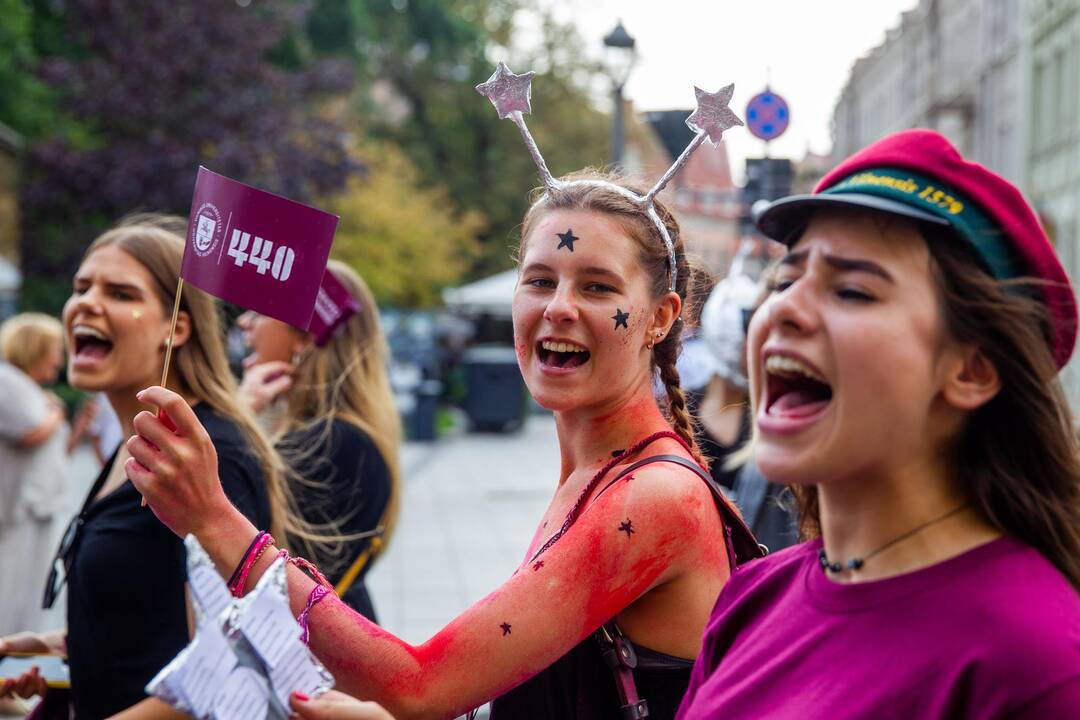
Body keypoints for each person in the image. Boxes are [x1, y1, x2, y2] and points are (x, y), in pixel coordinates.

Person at [126, 172, 761, 719]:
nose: (559, 307)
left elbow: (421, 686)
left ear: (660, 316)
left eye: (597, 287)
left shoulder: (651, 497)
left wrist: (212, 519)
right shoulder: (602, 474)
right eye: (539, 280)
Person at [676, 129, 1080, 718]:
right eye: (786, 281)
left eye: (853, 291)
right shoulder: (751, 597)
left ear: (971, 369)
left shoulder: (1039, 665)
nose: (783, 309)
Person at [0, 217, 287, 718]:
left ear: (175, 327)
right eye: (81, 287)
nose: (86, 303)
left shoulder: (210, 456)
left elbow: (226, 666)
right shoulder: (138, 443)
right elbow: (152, 620)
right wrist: (55, 648)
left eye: (120, 293)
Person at [236, 260, 401, 622]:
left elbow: (236, 551)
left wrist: (237, 418)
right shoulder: (339, 434)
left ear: (306, 337)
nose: (243, 322)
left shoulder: (332, 443)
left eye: (260, 312)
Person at [0, 313, 68, 636]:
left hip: (35, 503)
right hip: (18, 507)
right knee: (11, 590)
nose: (59, 358)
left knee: (27, 589)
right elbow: (31, 432)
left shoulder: (24, 385)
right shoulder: (8, 381)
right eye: (55, 349)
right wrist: (56, 413)